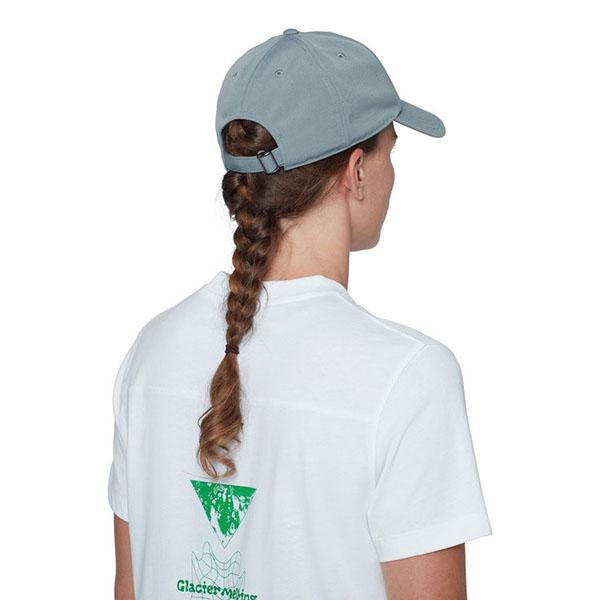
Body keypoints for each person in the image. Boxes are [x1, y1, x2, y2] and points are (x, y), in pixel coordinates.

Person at [108, 28, 492, 600]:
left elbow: (129, 588)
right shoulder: (408, 375)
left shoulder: (152, 351)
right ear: (356, 170)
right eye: (390, 151)